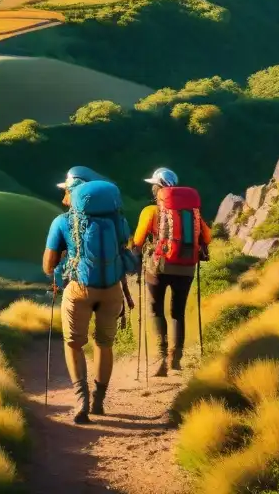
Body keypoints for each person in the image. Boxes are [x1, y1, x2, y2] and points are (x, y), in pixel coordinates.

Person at [43, 166, 134, 424]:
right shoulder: (118, 221)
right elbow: (123, 248)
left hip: (79, 289)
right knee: (104, 344)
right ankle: (99, 401)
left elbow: (48, 265)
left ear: (73, 192)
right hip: (112, 290)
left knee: (73, 343)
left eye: (67, 191)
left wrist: (62, 262)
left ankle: (81, 399)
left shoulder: (61, 222)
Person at [132, 167, 212, 376]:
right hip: (186, 267)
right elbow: (207, 236)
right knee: (178, 312)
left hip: (159, 266)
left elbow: (138, 241)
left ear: (157, 188)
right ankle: (175, 360)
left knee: (155, 309)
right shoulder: (192, 212)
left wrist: (135, 255)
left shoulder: (150, 212)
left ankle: (160, 358)